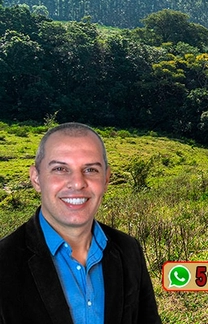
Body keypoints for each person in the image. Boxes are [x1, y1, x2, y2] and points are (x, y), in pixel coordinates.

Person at [0, 122, 161, 324]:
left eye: (91, 170)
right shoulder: (4, 262)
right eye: (60, 168)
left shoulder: (129, 250)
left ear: (106, 178)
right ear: (36, 178)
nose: (77, 183)